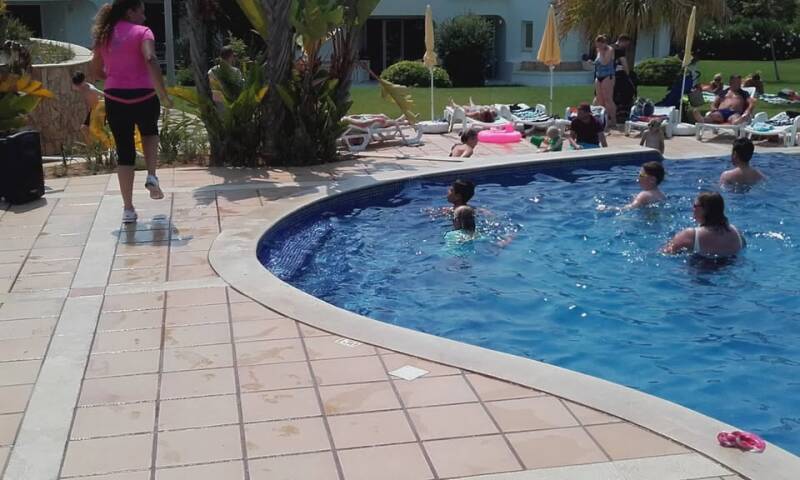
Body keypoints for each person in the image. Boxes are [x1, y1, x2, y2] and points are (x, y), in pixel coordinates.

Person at [90, 0, 172, 224]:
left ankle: (128, 209)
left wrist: (115, 76)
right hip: (144, 95)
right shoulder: (143, 32)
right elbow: (150, 58)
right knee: (150, 132)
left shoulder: (104, 35)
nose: (144, 17)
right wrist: (162, 92)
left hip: (115, 98)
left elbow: (95, 70)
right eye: (141, 12)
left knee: (124, 152)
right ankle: (152, 175)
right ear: (130, 12)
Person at [662, 192, 744, 257]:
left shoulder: (691, 235)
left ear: (705, 209)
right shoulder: (737, 233)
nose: (692, 209)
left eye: (695, 206)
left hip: (700, 270)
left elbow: (665, 252)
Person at [593, 35, 617, 128]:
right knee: (600, 99)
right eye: (597, 44)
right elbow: (597, 62)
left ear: (604, 43)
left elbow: (605, 62)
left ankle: (613, 120)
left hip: (608, 75)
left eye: (600, 44)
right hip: (599, 75)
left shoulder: (609, 50)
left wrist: (602, 52)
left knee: (608, 98)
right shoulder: (598, 50)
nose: (598, 46)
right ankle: (604, 118)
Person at [612, 34, 637, 124]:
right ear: (623, 41)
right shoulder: (619, 50)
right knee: (626, 92)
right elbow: (624, 63)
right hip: (617, 76)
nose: (626, 46)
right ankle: (621, 112)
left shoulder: (609, 48)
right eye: (626, 44)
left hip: (607, 75)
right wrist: (628, 74)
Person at [71, 71, 102, 141]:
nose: (78, 86)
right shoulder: (80, 86)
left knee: (86, 128)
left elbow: (104, 95)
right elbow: (74, 87)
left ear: (83, 81)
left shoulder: (91, 89)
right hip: (93, 110)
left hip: (99, 110)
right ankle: (92, 145)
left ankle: (94, 145)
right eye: (77, 84)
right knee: (84, 128)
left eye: (79, 84)